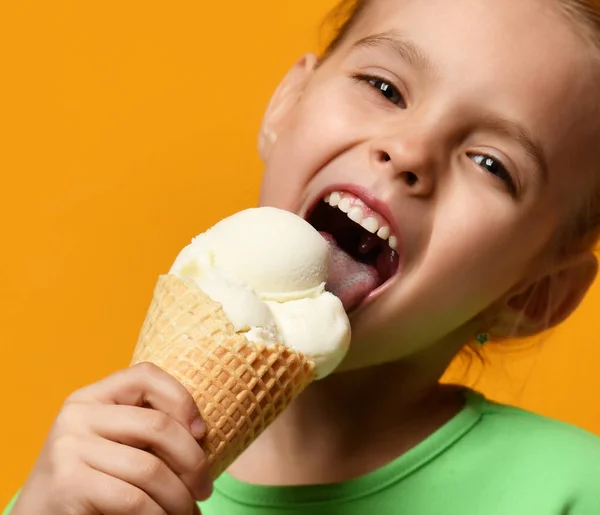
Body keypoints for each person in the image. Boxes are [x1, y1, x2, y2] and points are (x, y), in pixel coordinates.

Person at [5, 0, 600, 513]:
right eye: (384, 88)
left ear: (534, 294)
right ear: (288, 102)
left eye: (493, 164)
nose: (410, 150)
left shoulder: (573, 492)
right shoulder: (95, 476)